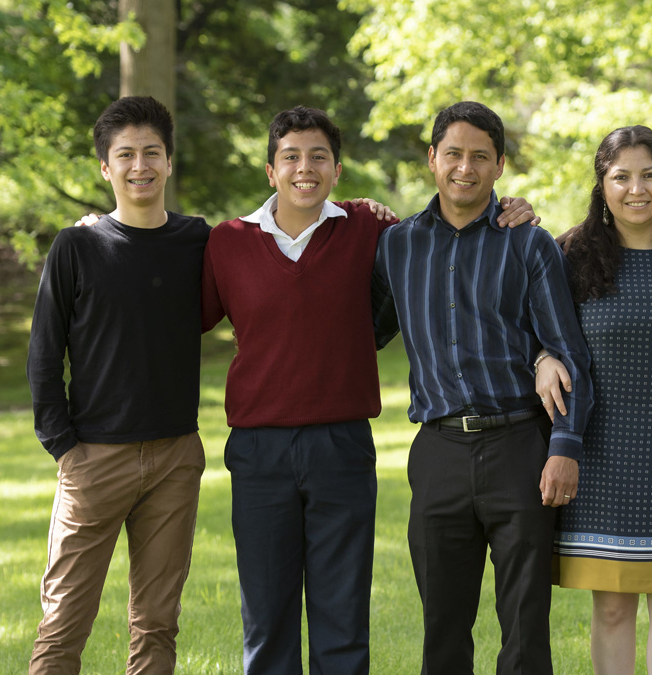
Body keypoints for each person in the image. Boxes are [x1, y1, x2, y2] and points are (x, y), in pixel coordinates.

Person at [199, 105, 537, 675]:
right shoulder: (228, 242)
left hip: (342, 444)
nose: (304, 169)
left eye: (318, 158)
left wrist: (514, 210)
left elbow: (450, 232)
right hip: (258, 450)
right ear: (270, 170)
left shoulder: (373, 230)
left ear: (336, 170)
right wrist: (102, 229)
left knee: (342, 612)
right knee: (266, 616)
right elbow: (177, 311)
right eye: (291, 158)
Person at [372, 100, 593, 675]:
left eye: (479, 157)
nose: (464, 168)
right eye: (453, 154)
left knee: (524, 621)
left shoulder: (527, 243)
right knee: (442, 621)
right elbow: (363, 332)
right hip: (438, 450)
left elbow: (568, 352)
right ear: (432, 159)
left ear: (499, 166)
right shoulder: (397, 245)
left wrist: (565, 447)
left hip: (520, 444)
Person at [26, 96, 209, 674]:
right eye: (125, 154)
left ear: (169, 162)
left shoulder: (199, 242)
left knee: (156, 624)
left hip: (176, 456)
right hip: (93, 458)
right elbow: (42, 354)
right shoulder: (76, 247)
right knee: (63, 624)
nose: (140, 166)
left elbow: (279, 230)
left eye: (151, 152)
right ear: (106, 167)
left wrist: (356, 208)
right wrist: (64, 449)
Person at [534, 126, 652, 674]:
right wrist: (541, 358)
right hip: (601, 454)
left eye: (649, 175)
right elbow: (531, 328)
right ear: (602, 184)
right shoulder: (569, 255)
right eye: (622, 177)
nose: (637, 189)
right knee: (611, 610)